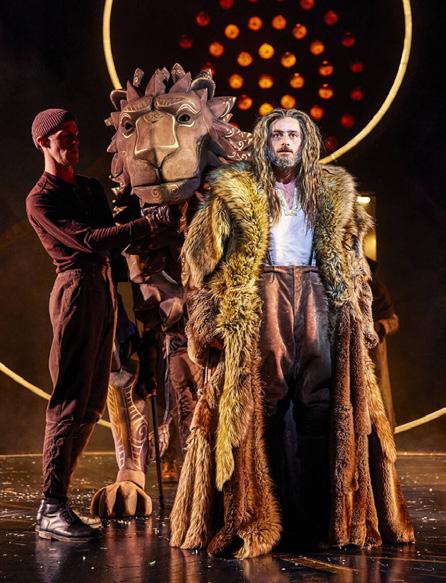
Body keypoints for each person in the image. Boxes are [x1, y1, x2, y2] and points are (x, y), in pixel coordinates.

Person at [170, 108, 414, 558]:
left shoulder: (332, 193)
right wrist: (206, 322)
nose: (285, 142)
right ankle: (260, 518)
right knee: (262, 405)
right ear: (265, 142)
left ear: (307, 142)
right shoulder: (235, 191)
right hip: (262, 296)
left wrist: (361, 317)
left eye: (293, 135)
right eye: (277, 134)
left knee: (321, 407)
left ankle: (322, 522)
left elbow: (354, 267)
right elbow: (199, 265)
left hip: (319, 297)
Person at [26, 108, 177, 542]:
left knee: (92, 404)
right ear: (43, 142)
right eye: (65, 137)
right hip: (75, 289)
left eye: (76, 134)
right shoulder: (41, 199)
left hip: (105, 288)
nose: (74, 142)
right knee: (69, 401)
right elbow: (90, 241)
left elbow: (114, 246)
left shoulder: (90, 188)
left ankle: (57, 504)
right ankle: (51, 505)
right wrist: (145, 223)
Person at [367, 257, 400, 428]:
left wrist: (379, 327)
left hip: (371, 352)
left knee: (375, 401)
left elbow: (392, 320)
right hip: (339, 352)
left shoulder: (373, 283)